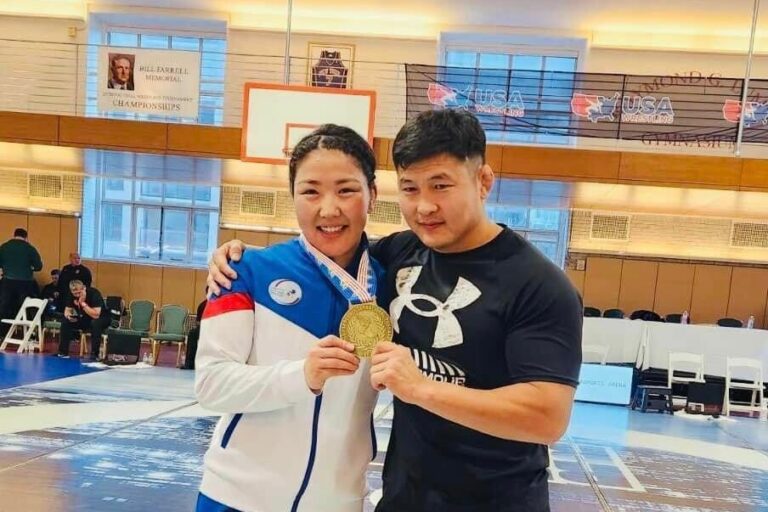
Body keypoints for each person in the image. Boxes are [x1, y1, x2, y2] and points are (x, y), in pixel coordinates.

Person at [208, 110, 583, 512]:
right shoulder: (401, 253)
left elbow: (547, 418)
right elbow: (327, 256)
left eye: (440, 186)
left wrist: (421, 388)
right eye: (410, 188)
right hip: (404, 498)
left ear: (483, 181)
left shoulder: (539, 285)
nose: (424, 206)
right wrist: (245, 259)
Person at [195, 124, 387, 512]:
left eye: (346, 190)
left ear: (373, 195)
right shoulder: (243, 271)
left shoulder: (394, 285)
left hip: (337, 501)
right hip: (236, 496)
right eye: (311, 191)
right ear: (293, 195)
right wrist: (303, 376)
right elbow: (211, 384)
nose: (328, 209)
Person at [0, 228, 42, 334]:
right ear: (26, 237)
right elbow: (38, 266)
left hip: (7, 282)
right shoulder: (30, 248)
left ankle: (3, 333)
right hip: (25, 283)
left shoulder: (4, 247)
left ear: (14, 235)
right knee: (26, 307)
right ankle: (28, 333)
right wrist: (29, 268)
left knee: (5, 307)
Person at [57, 279, 111, 360]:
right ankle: (62, 352)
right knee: (65, 321)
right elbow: (67, 310)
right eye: (75, 294)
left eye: (79, 293)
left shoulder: (94, 293)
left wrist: (82, 303)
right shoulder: (71, 295)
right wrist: (69, 316)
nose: (77, 295)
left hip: (102, 318)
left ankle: (94, 354)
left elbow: (96, 315)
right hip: (86, 318)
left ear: (84, 288)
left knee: (95, 323)